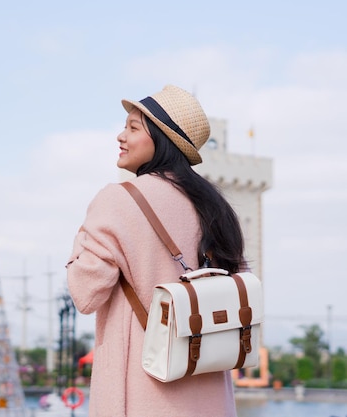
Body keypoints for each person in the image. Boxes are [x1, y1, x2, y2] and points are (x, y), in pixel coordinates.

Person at [66, 85, 244, 417]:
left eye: (133, 128)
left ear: (162, 139)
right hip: (210, 392)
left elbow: (85, 294)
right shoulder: (215, 206)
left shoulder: (117, 200)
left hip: (142, 390)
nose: (121, 136)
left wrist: (82, 235)